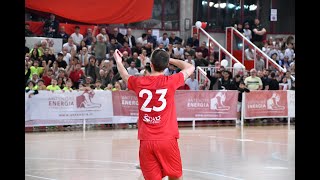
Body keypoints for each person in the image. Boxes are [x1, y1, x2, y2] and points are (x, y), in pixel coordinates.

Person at [113, 48, 195, 180]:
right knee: (175, 176)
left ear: (150, 64)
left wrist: (118, 61)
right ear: (166, 65)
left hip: (146, 140)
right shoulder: (171, 81)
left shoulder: (139, 82)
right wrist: (170, 60)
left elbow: (124, 75)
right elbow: (190, 67)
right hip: (167, 139)